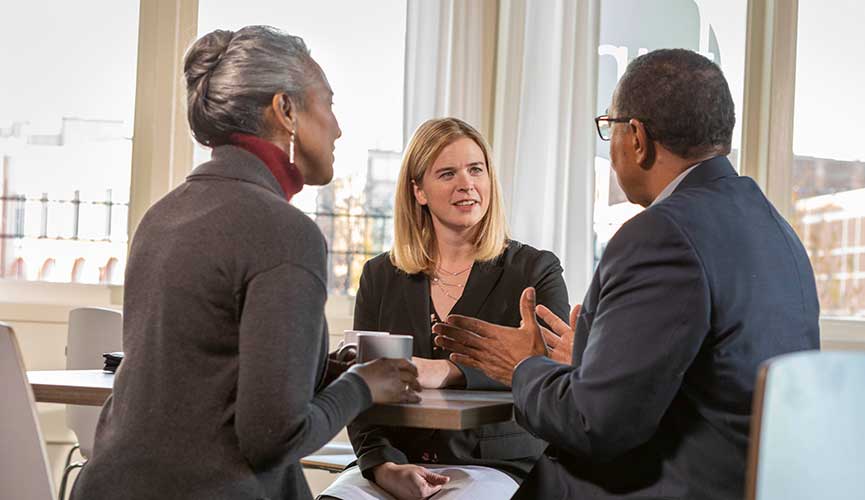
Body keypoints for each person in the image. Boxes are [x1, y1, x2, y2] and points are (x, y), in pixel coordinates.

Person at [434, 49, 820, 500]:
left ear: (637, 137)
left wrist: (524, 367)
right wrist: (591, 363)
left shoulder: (661, 236)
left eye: (609, 126)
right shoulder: (776, 229)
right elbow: (707, 379)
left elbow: (594, 426)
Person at [70, 26, 420, 500]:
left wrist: (317, 370)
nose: (338, 128)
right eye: (329, 104)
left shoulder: (162, 216)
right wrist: (362, 385)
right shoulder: (285, 233)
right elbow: (273, 438)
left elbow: (204, 372)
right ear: (286, 109)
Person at [320, 118, 569, 500]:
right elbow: (362, 388)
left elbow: (550, 368)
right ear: (418, 190)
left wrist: (448, 371)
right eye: (448, 173)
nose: (466, 184)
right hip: (396, 461)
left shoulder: (536, 270)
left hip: (493, 464)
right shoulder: (378, 276)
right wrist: (384, 467)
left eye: (476, 170)